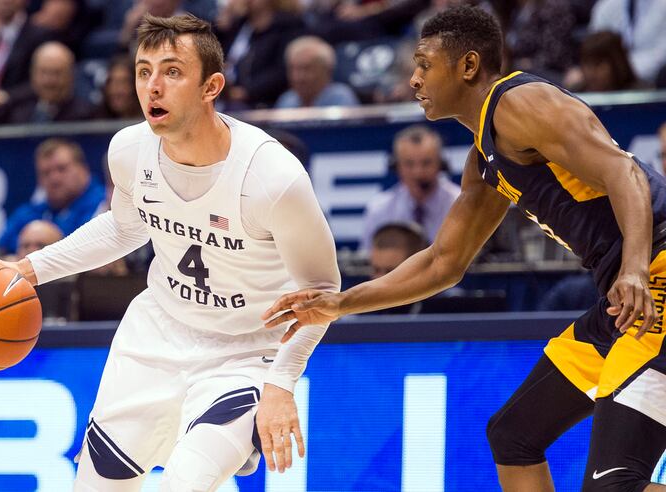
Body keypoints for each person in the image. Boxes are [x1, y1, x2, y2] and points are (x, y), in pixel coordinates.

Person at [263, 5, 666, 491]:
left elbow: (624, 171)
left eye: (424, 64)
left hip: (655, 280)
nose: (413, 79)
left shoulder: (522, 103)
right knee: (513, 435)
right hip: (621, 300)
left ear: (468, 66)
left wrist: (635, 269)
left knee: (614, 483)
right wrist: (341, 304)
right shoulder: (486, 158)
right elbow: (443, 263)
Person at [0, 14, 339, 490]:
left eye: (172, 71)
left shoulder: (273, 177)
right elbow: (124, 230)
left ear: (211, 86)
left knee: (184, 484)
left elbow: (323, 290)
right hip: (155, 336)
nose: (152, 86)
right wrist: (28, 269)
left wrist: (282, 383)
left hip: (245, 352)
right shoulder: (129, 150)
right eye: (144, 71)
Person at [360, 124, 460, 251]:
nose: (417, 173)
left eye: (426, 163)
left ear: (441, 164)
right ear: (396, 166)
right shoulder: (380, 209)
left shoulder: (459, 204)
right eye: (409, 164)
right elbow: (370, 260)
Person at [0, 138, 105, 254]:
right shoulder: (28, 212)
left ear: (83, 169)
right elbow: (0, 250)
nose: (54, 179)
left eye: (62, 169)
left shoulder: (104, 205)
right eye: (46, 173)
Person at [0, 41, 95, 124]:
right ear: (33, 73)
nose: (49, 81)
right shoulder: (16, 111)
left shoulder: (85, 116)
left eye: (56, 73)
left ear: (71, 75)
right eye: (43, 72)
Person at [275, 35, 359, 109]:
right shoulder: (286, 101)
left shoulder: (341, 97)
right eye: (293, 69)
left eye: (306, 69)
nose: (298, 77)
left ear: (327, 70)